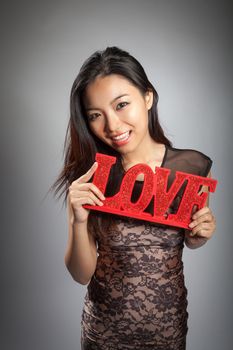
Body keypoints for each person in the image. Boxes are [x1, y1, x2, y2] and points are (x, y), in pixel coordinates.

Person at [51, 46, 216, 350]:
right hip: (104, 335)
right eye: (95, 115)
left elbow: (189, 238)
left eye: (122, 104)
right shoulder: (91, 176)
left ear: (148, 97)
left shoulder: (190, 167)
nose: (112, 126)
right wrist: (78, 220)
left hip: (168, 332)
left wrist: (200, 234)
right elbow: (81, 274)